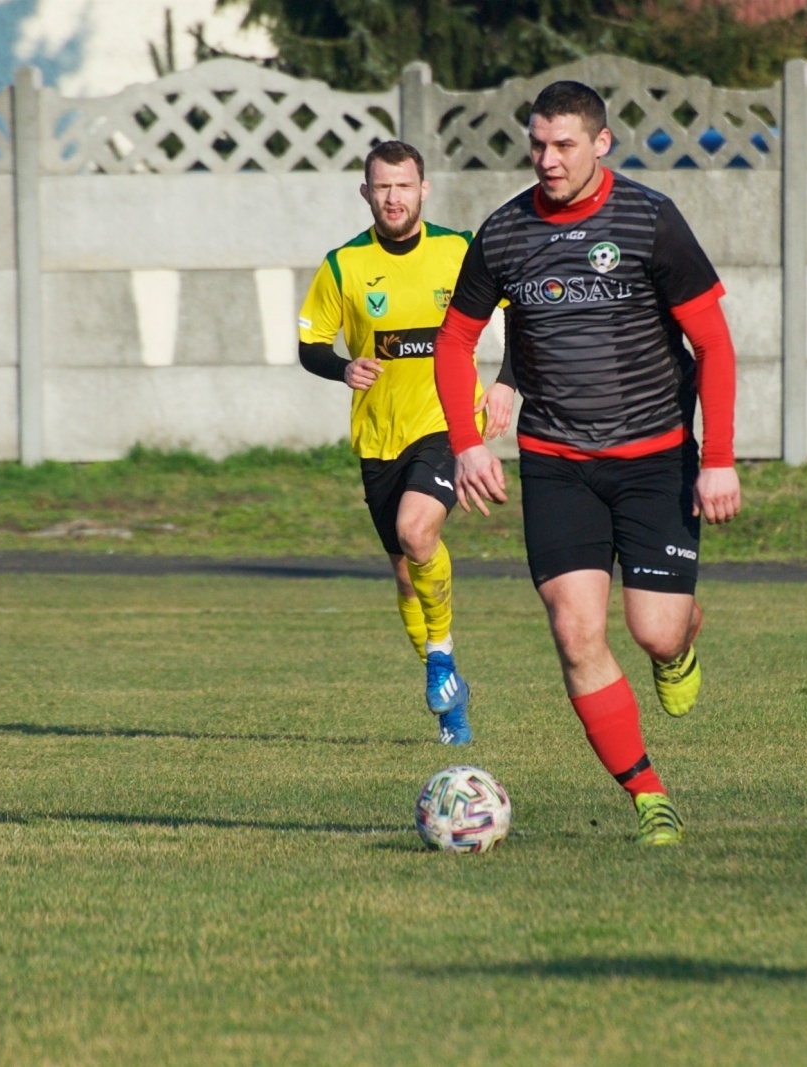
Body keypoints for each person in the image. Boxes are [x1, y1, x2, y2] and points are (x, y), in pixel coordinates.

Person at [432, 81, 742, 845]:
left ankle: (680, 647)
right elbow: (453, 342)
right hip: (556, 461)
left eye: (563, 144)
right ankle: (648, 796)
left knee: (656, 631)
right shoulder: (504, 234)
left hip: (655, 458)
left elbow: (714, 344)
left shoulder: (650, 220)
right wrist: (468, 443)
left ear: (602, 143)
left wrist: (720, 458)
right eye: (537, 144)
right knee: (575, 630)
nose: (547, 159)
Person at [296, 139, 512, 745]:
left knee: (420, 533)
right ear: (366, 192)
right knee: (404, 571)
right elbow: (310, 345)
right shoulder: (344, 265)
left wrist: (505, 384)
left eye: (403, 185)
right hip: (378, 439)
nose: (393, 197)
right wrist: (343, 368)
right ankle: (450, 701)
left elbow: (519, 312)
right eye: (381, 187)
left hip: (448, 425)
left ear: (425, 189)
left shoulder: (459, 250)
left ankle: (442, 657)